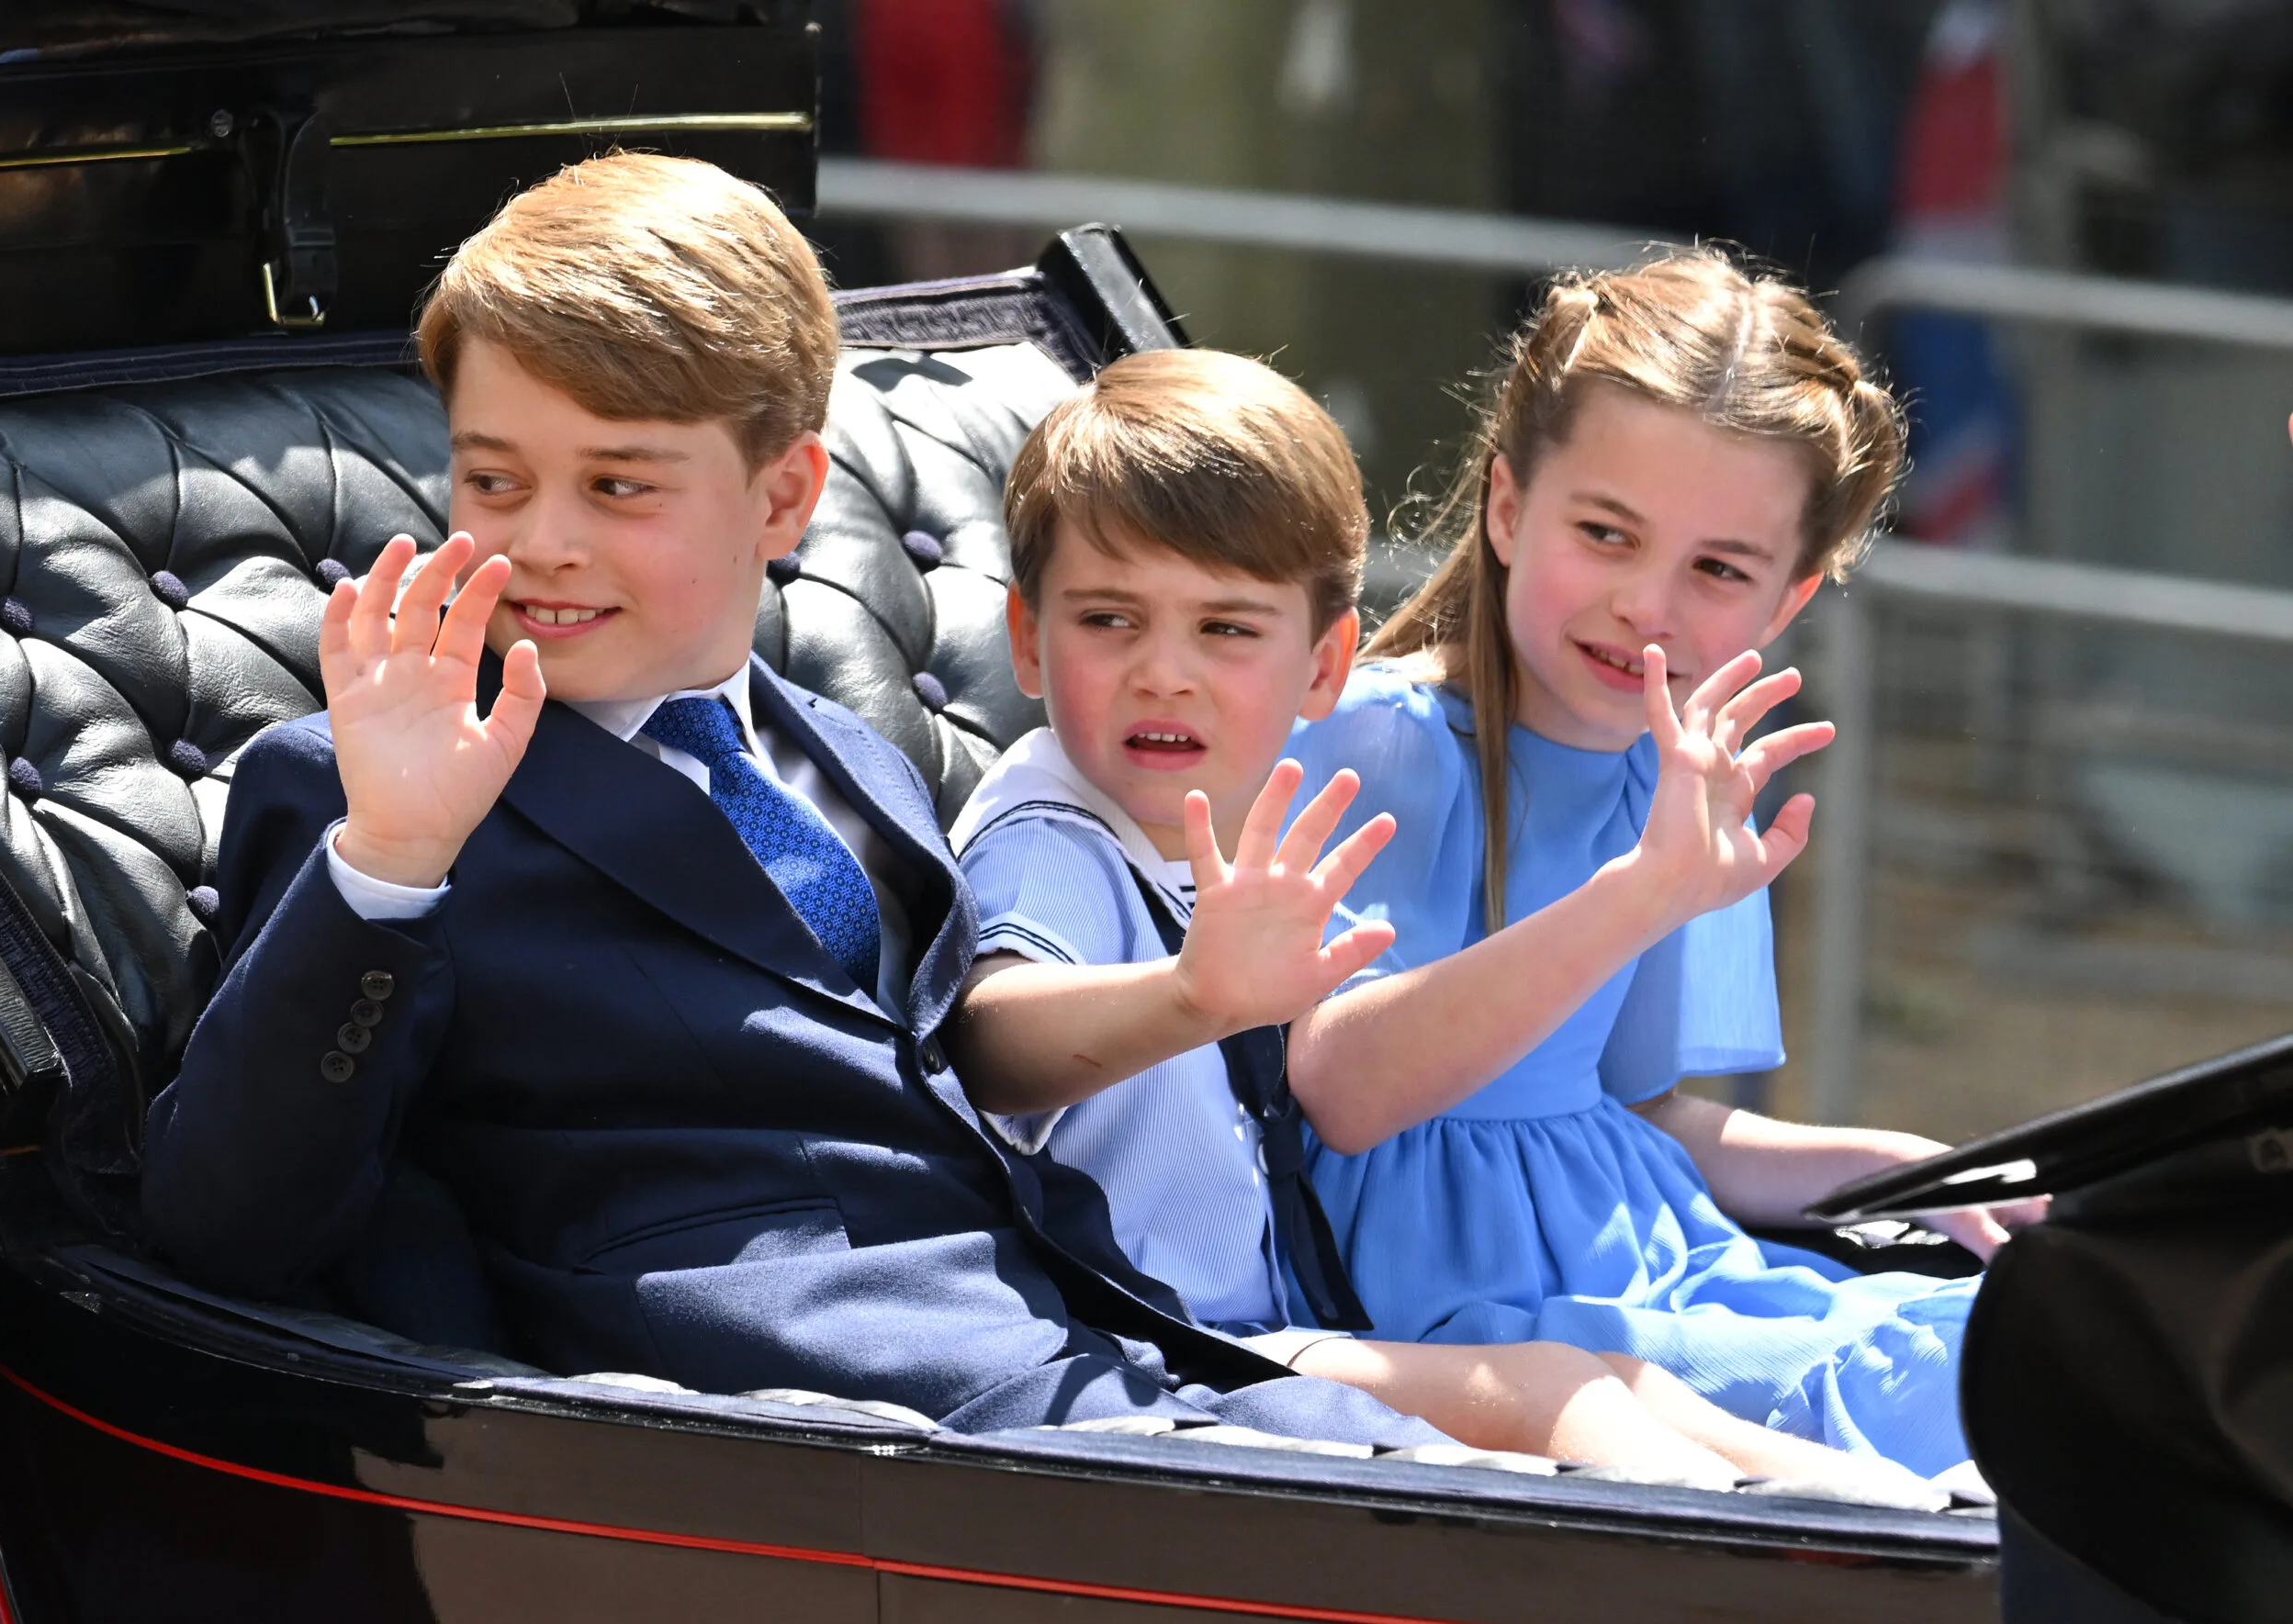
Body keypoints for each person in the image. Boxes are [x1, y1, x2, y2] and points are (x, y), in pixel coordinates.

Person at [137, 151, 1448, 1448]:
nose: (541, 538)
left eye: (618, 484)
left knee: (1568, 1486)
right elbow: (228, 1227)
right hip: (800, 1414)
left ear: (784, 497)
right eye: (494, 480)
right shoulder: (367, 788)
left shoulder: (849, 755)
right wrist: (390, 860)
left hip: (1086, 1341)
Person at [943, 347, 1939, 1495]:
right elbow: (990, 1036)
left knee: (1619, 1383)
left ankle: (1914, 1525)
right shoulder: (1053, 828)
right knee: (1550, 1391)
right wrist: (1189, 995)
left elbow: (1639, 1107)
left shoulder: (1218, 830)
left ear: (1320, 663)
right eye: (1110, 620)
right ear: (1026, 638)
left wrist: (1902, 1170)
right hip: (1163, 1345)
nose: (1164, 672)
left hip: (1270, 1318)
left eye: (1223, 630)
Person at [1279, 249, 2045, 1480]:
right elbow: (1345, 1092)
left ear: (1785, 603)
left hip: (1666, 1263)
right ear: (1509, 508)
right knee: (1975, 1399)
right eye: (1605, 532)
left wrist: (1894, 1167)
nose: (1649, 604)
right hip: (1486, 1320)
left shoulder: (1687, 773)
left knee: (2014, 1340)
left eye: (1718, 570)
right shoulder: (1369, 741)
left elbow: (1644, 1118)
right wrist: (1641, 891)